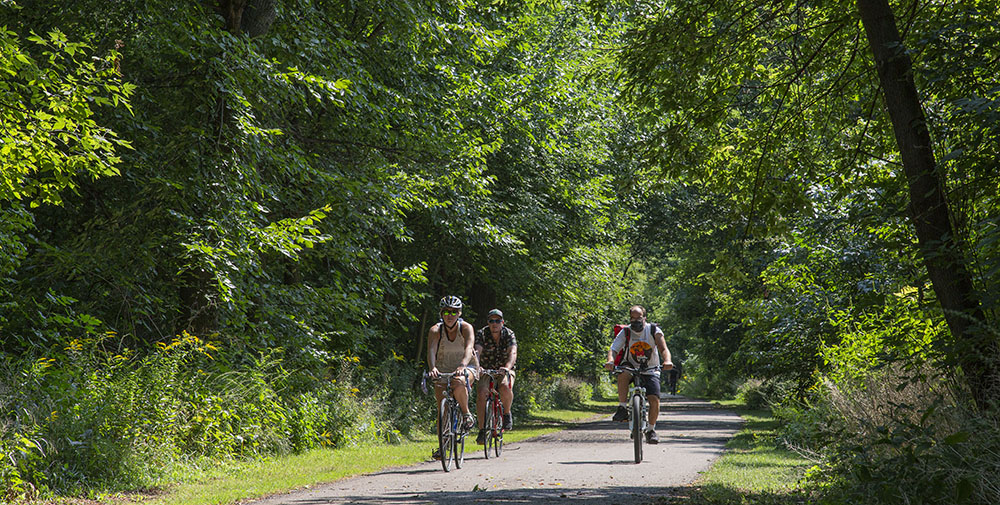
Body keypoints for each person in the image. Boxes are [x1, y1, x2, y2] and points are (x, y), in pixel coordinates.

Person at [604, 305, 672, 444]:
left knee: (654, 399)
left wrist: (667, 361)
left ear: (644, 318)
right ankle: (622, 407)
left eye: (639, 318)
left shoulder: (653, 330)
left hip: (651, 368)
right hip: (630, 365)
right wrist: (610, 360)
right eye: (633, 318)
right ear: (629, 319)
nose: (636, 321)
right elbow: (614, 349)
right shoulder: (626, 332)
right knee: (622, 373)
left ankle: (651, 430)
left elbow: (663, 348)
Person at [427, 295, 477, 459]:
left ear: (459, 313)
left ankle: (466, 413)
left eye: (454, 312)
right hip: (443, 368)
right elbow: (432, 350)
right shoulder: (435, 330)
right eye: (447, 311)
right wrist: (433, 368)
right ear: (441, 313)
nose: (450, 315)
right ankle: (443, 446)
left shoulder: (466, 328)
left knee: (458, 381)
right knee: (442, 409)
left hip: (466, 365)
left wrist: (463, 365)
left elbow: (469, 348)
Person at [474, 308, 517, 444]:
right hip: (486, 370)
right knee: (481, 392)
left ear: (502, 322)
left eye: (497, 321)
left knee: (504, 386)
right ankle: (482, 430)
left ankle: (507, 413)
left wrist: (507, 368)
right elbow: (477, 351)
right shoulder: (482, 333)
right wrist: (477, 366)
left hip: (504, 370)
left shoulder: (509, 334)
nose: (494, 324)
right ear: (488, 322)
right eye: (492, 321)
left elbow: (513, 353)